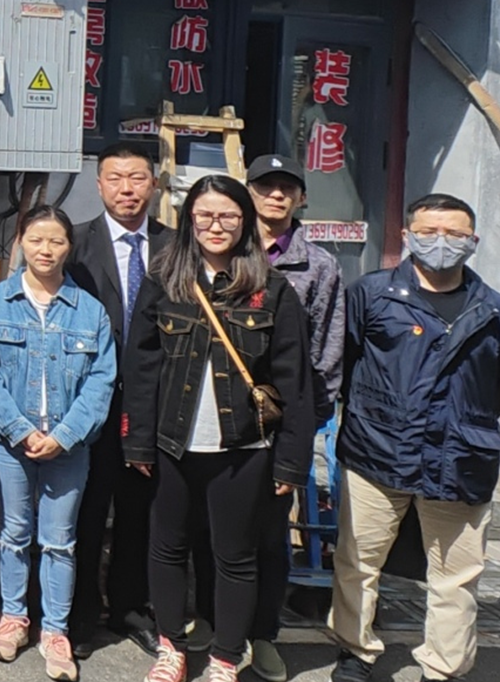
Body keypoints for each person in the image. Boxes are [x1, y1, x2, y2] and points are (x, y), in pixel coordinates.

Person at [121, 174, 312, 682]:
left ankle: (226, 657)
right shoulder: (164, 281)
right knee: (166, 548)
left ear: (245, 221)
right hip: (172, 443)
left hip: (244, 447)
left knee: (236, 556)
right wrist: (137, 441)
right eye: (204, 215)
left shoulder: (272, 290)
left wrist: (291, 461)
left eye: (228, 215)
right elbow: (141, 369)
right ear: (189, 220)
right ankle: (172, 648)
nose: (216, 225)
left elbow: (294, 383)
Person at [329, 194, 500, 682]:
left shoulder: (492, 309)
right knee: (358, 561)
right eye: (428, 232)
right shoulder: (371, 294)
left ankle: (443, 668)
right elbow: (342, 364)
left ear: (473, 241)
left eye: (454, 234)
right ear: (407, 236)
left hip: (461, 457)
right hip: (377, 451)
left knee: (456, 576)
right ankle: (355, 651)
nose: (441, 242)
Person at [0, 205, 115, 682]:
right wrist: (19, 429)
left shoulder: (90, 311)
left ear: (69, 247)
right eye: (36, 240)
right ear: (20, 241)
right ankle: (13, 618)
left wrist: (65, 435)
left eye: (56, 241)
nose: (46, 250)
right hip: (12, 443)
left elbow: (102, 380)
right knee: (13, 533)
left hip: (69, 447)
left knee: (60, 541)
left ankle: (55, 630)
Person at [244, 155, 345, 682]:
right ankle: (214, 623)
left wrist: (308, 417)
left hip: (286, 420)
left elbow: (329, 348)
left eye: (287, 188)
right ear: (249, 192)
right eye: (266, 186)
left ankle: (264, 633)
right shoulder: (226, 248)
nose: (276, 196)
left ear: (301, 198)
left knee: (272, 532)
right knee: (213, 525)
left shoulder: (319, 265)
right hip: (220, 414)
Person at [66, 142, 170, 657]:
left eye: (137, 178)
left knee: (141, 511)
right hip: (90, 400)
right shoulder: (75, 243)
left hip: (154, 402)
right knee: (86, 509)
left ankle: (130, 607)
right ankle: (80, 614)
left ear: (154, 183)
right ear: (99, 184)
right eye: (115, 178)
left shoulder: (176, 246)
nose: (127, 189)